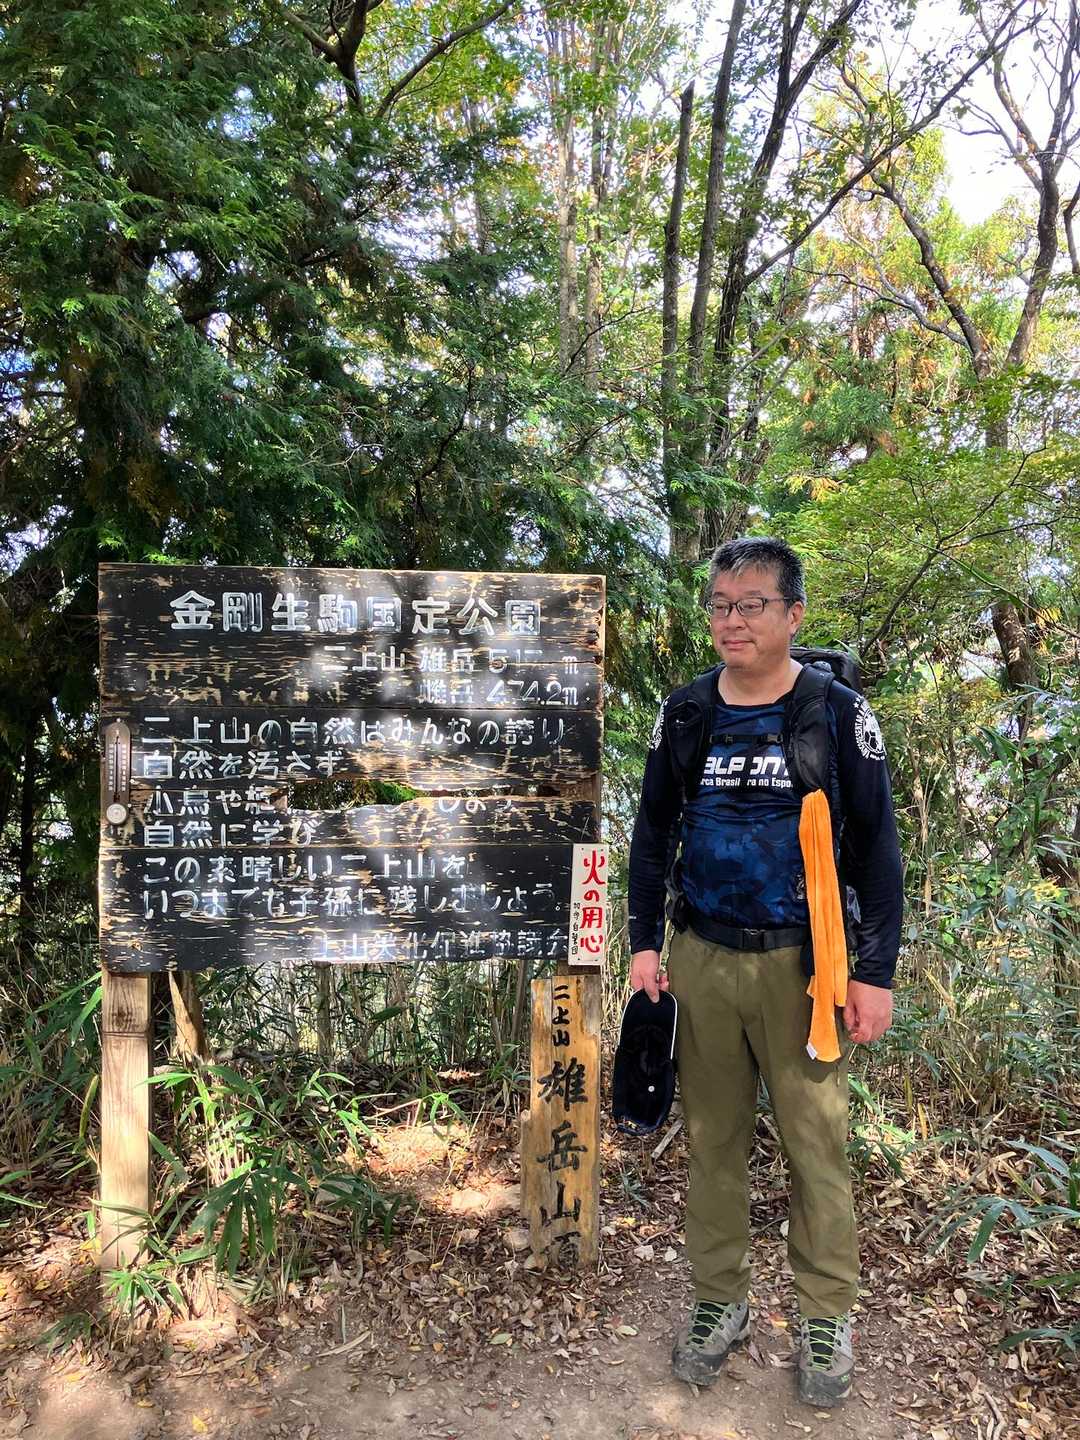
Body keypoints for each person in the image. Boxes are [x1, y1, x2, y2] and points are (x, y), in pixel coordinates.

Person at [627, 536, 902, 1407]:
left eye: (751, 604)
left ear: (793, 614)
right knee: (713, 1143)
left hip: (806, 966)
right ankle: (720, 1299)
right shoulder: (686, 713)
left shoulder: (835, 712)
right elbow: (651, 832)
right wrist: (642, 944)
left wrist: (875, 972)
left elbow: (878, 847)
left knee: (816, 1145)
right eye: (720, 604)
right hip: (702, 955)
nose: (732, 620)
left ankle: (825, 1314)